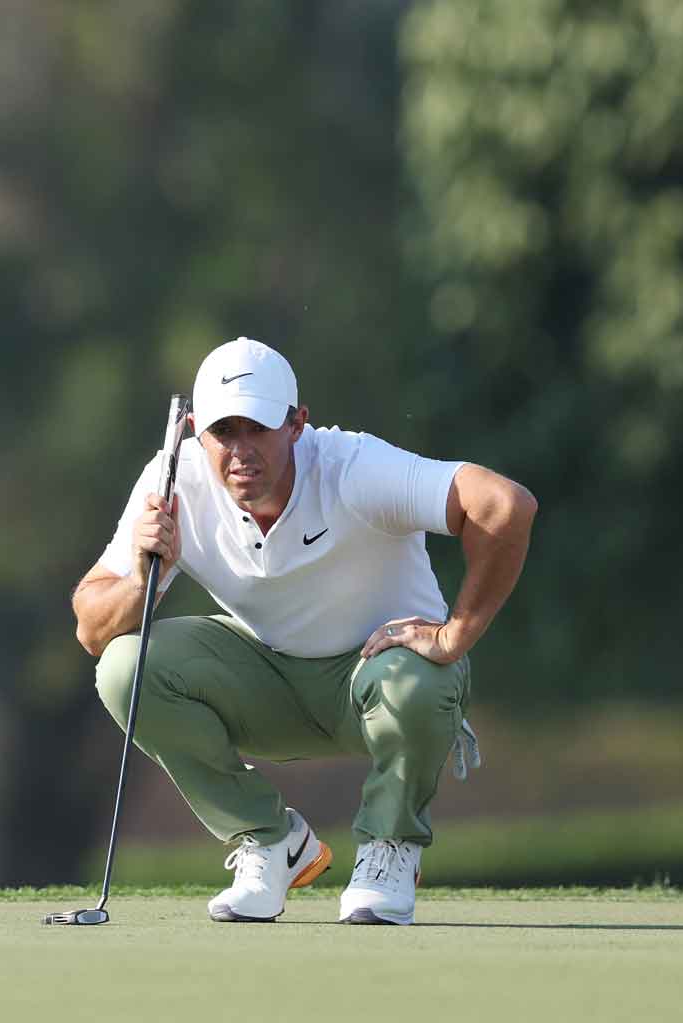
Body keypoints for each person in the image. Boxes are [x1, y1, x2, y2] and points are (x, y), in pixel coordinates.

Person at [72, 337, 536, 925]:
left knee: (416, 678)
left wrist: (455, 635)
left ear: (297, 424)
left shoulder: (353, 468)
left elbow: (505, 505)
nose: (241, 451)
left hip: (382, 685)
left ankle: (389, 848)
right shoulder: (173, 481)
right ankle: (270, 842)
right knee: (125, 668)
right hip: (267, 683)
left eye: (258, 429)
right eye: (223, 431)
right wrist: (142, 580)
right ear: (194, 430)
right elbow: (91, 627)